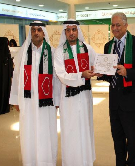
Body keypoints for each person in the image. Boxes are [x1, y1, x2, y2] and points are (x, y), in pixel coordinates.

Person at [98, 12, 135, 166]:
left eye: (118, 24)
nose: (115, 28)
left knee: (132, 138)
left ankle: (133, 163)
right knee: (117, 137)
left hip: (130, 100)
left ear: (126, 25)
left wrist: (128, 72)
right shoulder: (108, 45)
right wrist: (101, 74)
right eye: (112, 25)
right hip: (114, 101)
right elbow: (110, 74)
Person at [9, 21, 60, 166]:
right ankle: (30, 161)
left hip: (46, 101)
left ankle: (46, 161)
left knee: (46, 131)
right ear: (30, 33)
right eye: (33, 30)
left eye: (39, 30)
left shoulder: (52, 52)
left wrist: (56, 100)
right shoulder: (22, 54)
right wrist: (15, 100)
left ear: (44, 33)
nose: (36, 32)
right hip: (28, 101)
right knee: (28, 131)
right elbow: (17, 77)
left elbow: (56, 79)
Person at [54, 19, 96, 166]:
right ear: (65, 32)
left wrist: (101, 71)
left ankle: (86, 160)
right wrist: (81, 75)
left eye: (74, 30)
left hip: (85, 97)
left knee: (85, 127)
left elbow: (96, 65)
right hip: (68, 98)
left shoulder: (88, 49)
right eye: (68, 30)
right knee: (70, 130)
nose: (71, 33)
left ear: (78, 31)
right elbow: (62, 75)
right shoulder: (59, 52)